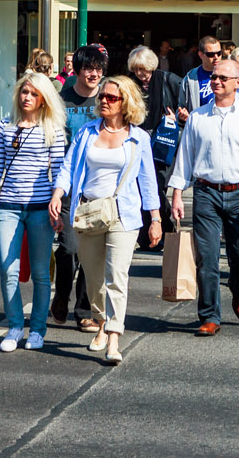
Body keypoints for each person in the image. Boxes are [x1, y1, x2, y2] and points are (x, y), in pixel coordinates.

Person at [51, 75, 161, 366]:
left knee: (117, 277)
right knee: (94, 280)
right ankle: (100, 322)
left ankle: (113, 336)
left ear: (125, 103)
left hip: (123, 215)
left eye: (111, 97)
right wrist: (58, 194)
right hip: (88, 212)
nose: (103, 101)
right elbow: (68, 166)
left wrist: (156, 218)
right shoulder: (87, 133)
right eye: (102, 96)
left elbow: (148, 181)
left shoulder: (139, 138)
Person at [167, 58, 239, 337]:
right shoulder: (197, 117)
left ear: (237, 83)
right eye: (213, 78)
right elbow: (185, 158)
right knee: (207, 259)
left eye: (222, 78)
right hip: (207, 193)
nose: (215, 82)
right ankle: (209, 316)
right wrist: (177, 194)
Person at [0, 72, 68, 351]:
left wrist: (56, 207)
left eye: (34, 94)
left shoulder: (53, 129)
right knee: (7, 269)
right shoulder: (4, 126)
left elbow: (60, 171)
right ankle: (14, 327)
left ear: (43, 99)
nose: (27, 97)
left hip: (40, 209)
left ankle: (37, 330)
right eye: (25, 92)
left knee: (40, 273)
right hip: (9, 207)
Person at [51, 44, 106, 331]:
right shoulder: (62, 101)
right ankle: (61, 294)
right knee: (69, 247)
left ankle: (83, 310)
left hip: (98, 187)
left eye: (98, 69)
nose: (94, 74)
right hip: (68, 185)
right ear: (77, 70)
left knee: (91, 252)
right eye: (88, 68)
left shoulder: (108, 100)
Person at [127, 45, 184, 246]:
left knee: (158, 186)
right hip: (139, 141)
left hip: (163, 142)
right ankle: (148, 235)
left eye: (143, 69)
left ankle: (163, 228)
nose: (141, 74)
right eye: (136, 70)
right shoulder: (130, 84)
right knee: (142, 187)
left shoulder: (168, 80)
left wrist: (177, 117)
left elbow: (185, 106)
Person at [178, 36, 226, 126]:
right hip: (200, 128)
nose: (216, 57)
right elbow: (181, 106)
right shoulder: (190, 78)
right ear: (200, 55)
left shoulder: (230, 74)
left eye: (219, 53)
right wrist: (182, 115)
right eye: (211, 54)